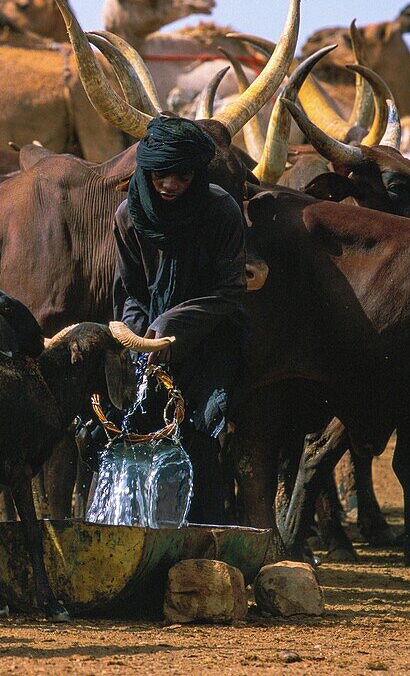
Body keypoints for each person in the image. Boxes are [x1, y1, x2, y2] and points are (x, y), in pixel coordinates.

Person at [113, 115, 247, 524]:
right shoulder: (128, 216)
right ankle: (147, 533)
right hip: (149, 349)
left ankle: (204, 537)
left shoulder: (221, 210)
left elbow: (229, 291)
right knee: (141, 435)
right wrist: (139, 339)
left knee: (202, 436)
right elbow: (130, 291)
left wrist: (172, 324)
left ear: (197, 174)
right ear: (146, 170)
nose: (170, 185)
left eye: (183, 176)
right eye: (161, 175)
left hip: (210, 340)